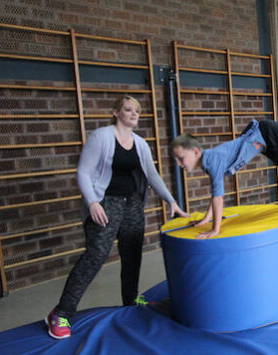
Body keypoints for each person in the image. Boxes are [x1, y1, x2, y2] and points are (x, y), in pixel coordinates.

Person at [45, 96, 188, 340]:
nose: (134, 114)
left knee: (132, 256)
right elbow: (83, 172)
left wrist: (172, 202)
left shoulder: (141, 144)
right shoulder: (101, 137)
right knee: (95, 257)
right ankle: (61, 313)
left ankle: (131, 303)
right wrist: (92, 202)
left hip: (132, 204)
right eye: (128, 109)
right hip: (105, 203)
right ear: (116, 112)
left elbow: (152, 176)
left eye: (137, 111)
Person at [171, 112, 278, 239]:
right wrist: (205, 219)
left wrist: (214, 229)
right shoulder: (208, 162)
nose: (179, 164)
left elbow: (218, 197)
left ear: (194, 152)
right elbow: (215, 194)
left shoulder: (211, 160)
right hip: (265, 143)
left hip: (267, 134)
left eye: (181, 159)